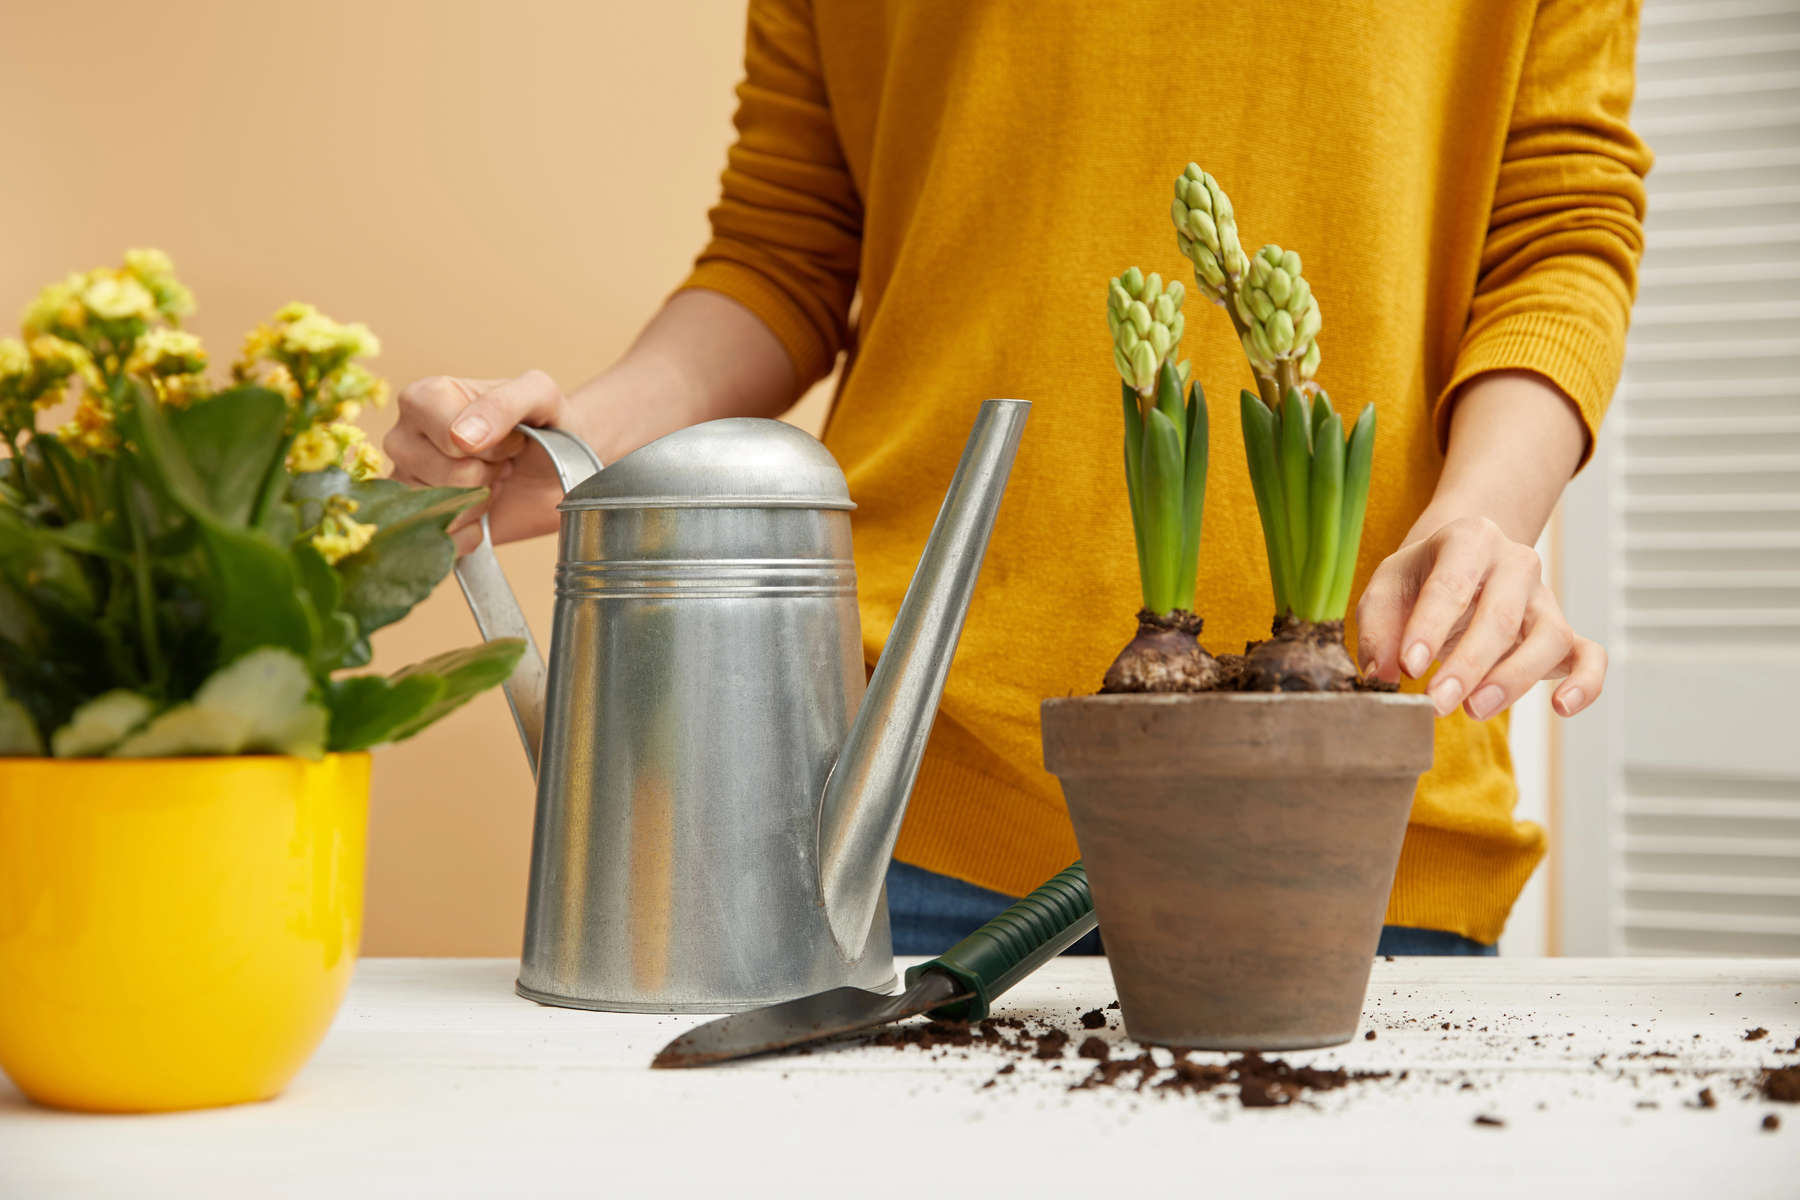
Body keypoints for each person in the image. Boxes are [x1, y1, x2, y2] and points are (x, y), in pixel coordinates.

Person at [386, 1, 1650, 957]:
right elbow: (785, 244)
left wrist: (1487, 513)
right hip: (897, 787)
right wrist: (575, 444)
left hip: (1348, 799)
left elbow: (1561, 225)